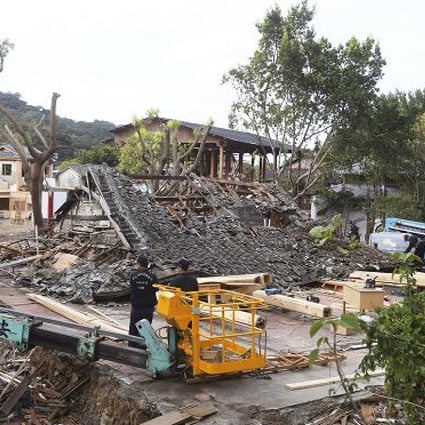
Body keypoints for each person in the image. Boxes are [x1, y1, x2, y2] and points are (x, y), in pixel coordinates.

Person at [128, 255, 158, 348]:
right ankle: (145, 346)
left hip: (136, 306)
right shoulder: (152, 277)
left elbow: (132, 287)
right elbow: (156, 289)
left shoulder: (133, 275)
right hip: (148, 307)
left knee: (133, 328)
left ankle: (132, 346)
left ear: (139, 264)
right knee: (146, 328)